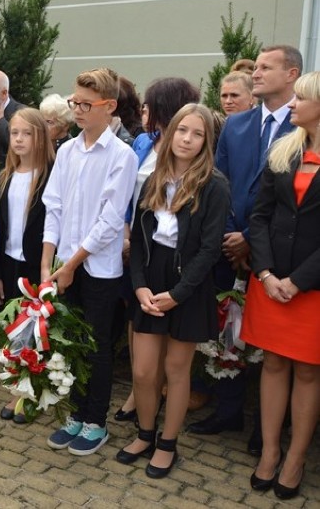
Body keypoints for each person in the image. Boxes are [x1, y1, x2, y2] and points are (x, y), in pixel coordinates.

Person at [197, 45, 302, 453]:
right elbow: (218, 183)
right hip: (228, 247)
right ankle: (227, 410)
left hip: (277, 256)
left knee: (272, 346)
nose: (254, 73)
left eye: (264, 68)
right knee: (229, 330)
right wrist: (229, 236)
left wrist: (253, 242)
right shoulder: (237, 126)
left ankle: (268, 429)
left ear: (291, 74)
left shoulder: (305, 125)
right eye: (254, 67)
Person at [118, 104, 230, 479]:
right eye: (183, 130)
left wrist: (179, 294)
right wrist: (139, 287)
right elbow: (136, 240)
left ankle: (167, 445)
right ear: (170, 133)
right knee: (145, 371)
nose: (187, 139)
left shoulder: (215, 186)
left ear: (206, 141)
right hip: (149, 281)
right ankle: (145, 434)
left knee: (176, 370)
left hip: (188, 286)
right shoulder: (152, 179)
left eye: (197, 134)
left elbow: (210, 249)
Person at [42, 68, 137, 456]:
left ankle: (96, 421)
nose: (77, 110)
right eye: (74, 103)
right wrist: (48, 263)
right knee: (69, 343)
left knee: (96, 345)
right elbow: (54, 206)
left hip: (96, 270)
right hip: (63, 265)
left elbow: (110, 221)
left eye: (86, 104)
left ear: (109, 106)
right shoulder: (67, 150)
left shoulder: (122, 156)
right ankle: (75, 414)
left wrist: (71, 264)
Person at [241, 71, 320, 500]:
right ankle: (270, 452)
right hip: (270, 283)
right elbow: (260, 217)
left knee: (308, 371)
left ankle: (296, 458)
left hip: (312, 290)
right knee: (272, 364)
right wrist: (268, 274)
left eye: (301, 99)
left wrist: (298, 281)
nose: (292, 105)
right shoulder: (283, 151)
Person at [115, 77, 201, 423]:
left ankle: (154, 393)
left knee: (163, 326)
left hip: (168, 249)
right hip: (134, 240)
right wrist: (125, 234)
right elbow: (126, 192)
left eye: (150, 105)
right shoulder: (141, 143)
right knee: (136, 317)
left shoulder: (193, 154)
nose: (144, 111)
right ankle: (140, 389)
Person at [0, 107, 54, 423]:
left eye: (26, 133)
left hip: (36, 266)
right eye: (14, 133)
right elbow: (0, 229)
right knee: (14, 330)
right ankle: (18, 386)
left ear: (40, 137)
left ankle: (29, 394)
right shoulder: (5, 176)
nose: (17, 139)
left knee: (35, 333)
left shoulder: (49, 176)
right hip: (11, 264)